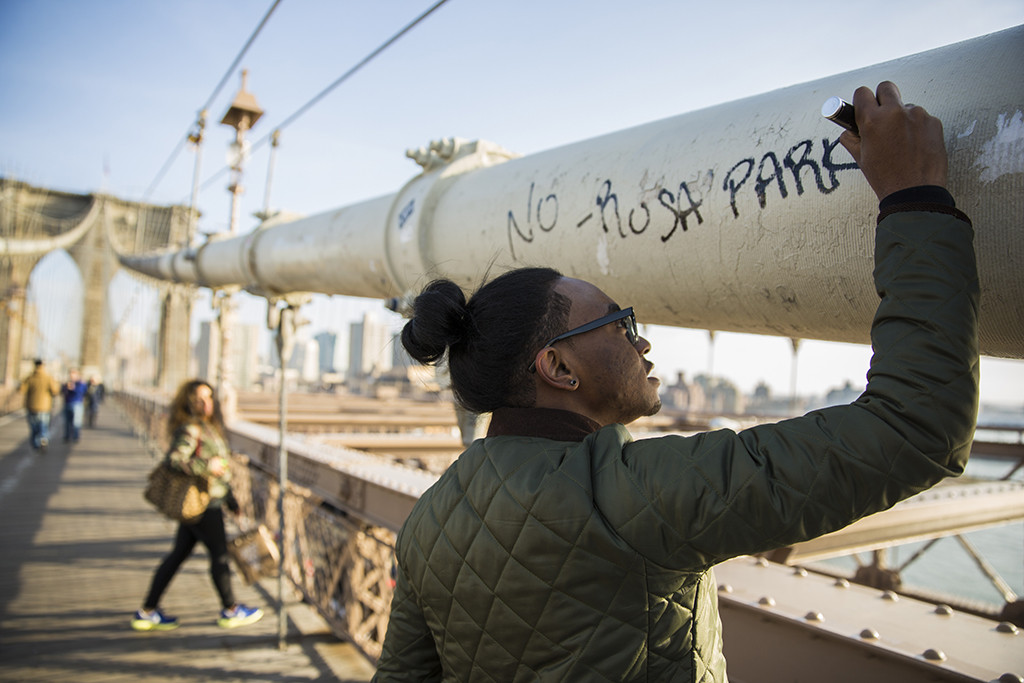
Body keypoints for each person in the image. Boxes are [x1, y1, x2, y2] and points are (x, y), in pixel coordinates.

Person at [373, 81, 979, 681]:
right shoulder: (634, 496)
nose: (643, 342)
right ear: (557, 368)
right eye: (619, 323)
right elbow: (915, 428)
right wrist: (914, 201)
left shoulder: (430, 521)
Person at [131, 379, 264, 631]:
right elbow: (174, 460)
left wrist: (230, 498)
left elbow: (219, 470)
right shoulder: (192, 429)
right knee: (219, 557)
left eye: (209, 397)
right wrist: (206, 466)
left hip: (208, 500)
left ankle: (147, 610)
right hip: (202, 504)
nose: (206, 403)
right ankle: (231, 609)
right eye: (200, 399)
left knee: (178, 555)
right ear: (189, 402)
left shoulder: (207, 427)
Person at [19, 359, 60, 451]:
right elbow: (55, 390)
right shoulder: (48, 377)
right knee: (43, 425)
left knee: (34, 426)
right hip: (44, 407)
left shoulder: (30, 377)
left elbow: (22, 389)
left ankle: (35, 443)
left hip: (31, 406)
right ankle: (43, 439)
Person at [61, 368, 88, 443]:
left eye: (73, 373)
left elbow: (83, 391)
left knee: (76, 422)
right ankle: (67, 436)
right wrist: (66, 387)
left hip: (77, 403)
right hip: (67, 403)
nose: (72, 375)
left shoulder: (81, 383)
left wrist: (74, 388)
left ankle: (76, 436)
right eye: (71, 373)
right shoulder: (67, 383)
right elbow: (62, 391)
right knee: (67, 421)